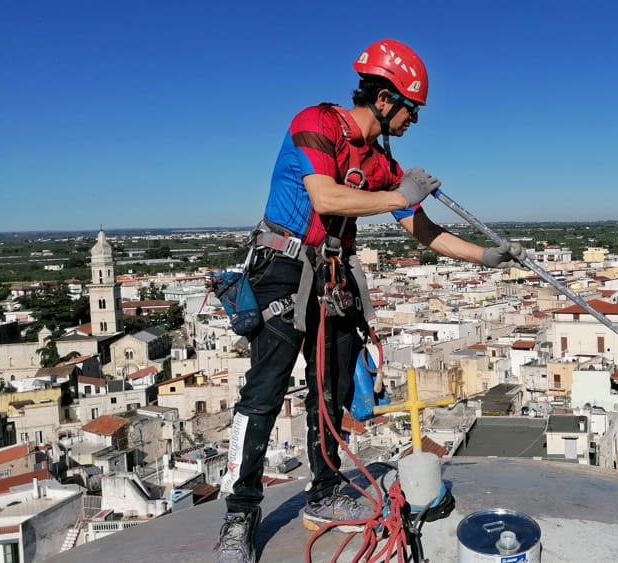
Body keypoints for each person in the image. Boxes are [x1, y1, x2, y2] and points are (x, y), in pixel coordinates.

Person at [215, 39, 525, 563]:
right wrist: (400, 196)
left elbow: (423, 231)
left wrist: (484, 257)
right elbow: (326, 196)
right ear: (385, 99)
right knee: (265, 391)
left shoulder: (381, 162)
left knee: (330, 386)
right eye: (411, 109)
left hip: (331, 276)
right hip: (283, 268)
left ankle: (325, 490)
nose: (413, 121)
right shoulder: (315, 122)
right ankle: (240, 514)